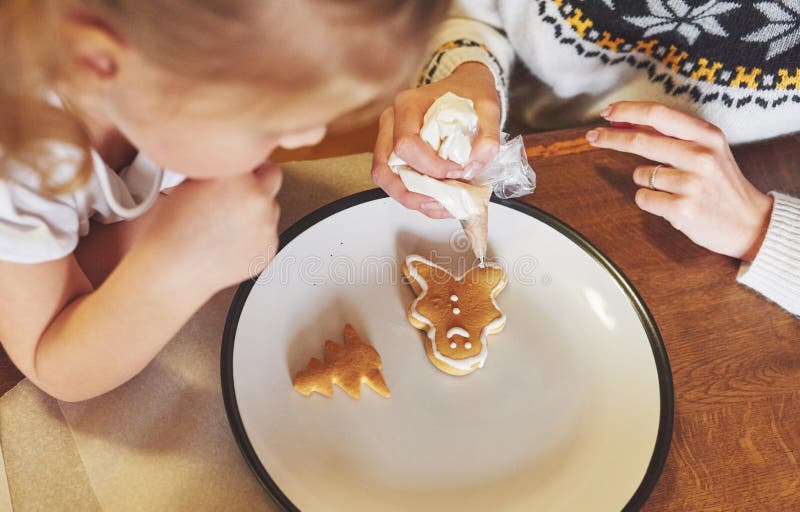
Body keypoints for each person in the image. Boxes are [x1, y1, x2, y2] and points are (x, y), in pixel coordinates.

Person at [0, 0, 448, 402]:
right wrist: (176, 268)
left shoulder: (160, 89)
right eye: (267, 126)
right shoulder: (16, 162)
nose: (309, 138)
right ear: (97, 61)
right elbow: (51, 363)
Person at [372, 0, 800, 315]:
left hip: (737, 203)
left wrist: (765, 230)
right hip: (533, 141)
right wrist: (465, 70)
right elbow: (467, 12)